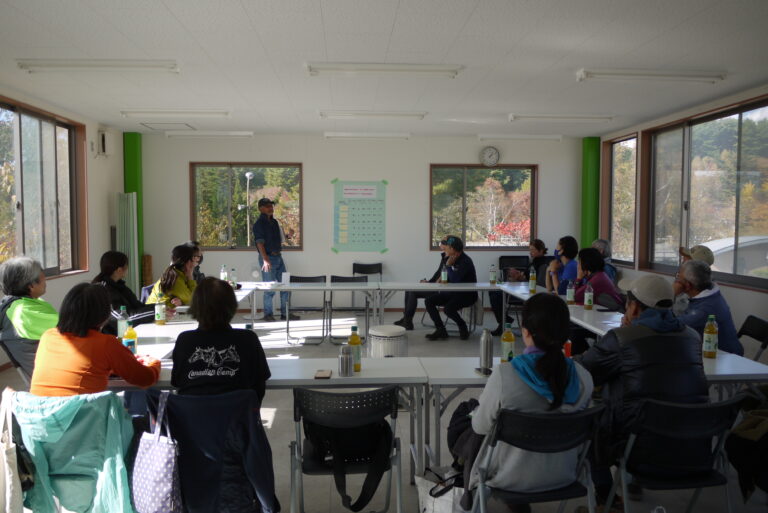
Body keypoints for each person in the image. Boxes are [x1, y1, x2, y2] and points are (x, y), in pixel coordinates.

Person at [453, 294, 593, 512]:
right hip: (564, 475)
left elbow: (480, 427)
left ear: (525, 332)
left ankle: (469, 491)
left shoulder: (505, 375)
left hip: (507, 477)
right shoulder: (584, 378)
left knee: (463, 419)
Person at [578, 274, 709, 509]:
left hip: (639, 450)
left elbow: (584, 372)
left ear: (635, 308)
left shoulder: (622, 339)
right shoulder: (692, 337)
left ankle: (607, 498)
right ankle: (629, 486)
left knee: (591, 420)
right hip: (694, 448)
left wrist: (620, 335)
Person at [30, 283, 160, 396]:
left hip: (41, 414)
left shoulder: (47, 336)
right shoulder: (106, 343)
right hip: (82, 415)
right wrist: (154, 362)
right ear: (103, 314)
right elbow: (146, 379)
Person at [172, 277, 271, 399]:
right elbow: (260, 386)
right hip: (238, 411)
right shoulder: (248, 340)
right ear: (232, 306)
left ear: (195, 307)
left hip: (191, 411)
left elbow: (177, 382)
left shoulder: (184, 341)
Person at [0, 256, 59, 378]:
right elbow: (70, 330)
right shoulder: (23, 312)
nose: (45, 282)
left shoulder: (20, 304)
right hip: (53, 376)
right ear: (30, 286)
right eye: (43, 278)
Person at [676, 260, 742, 355]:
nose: (677, 281)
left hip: (724, 357)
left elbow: (670, 325)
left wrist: (670, 294)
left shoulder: (704, 310)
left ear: (687, 285)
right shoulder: (710, 292)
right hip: (712, 349)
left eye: (678, 277)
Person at [489, 239, 552, 335]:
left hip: (530, 294)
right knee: (494, 292)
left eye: (533, 250)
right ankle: (504, 321)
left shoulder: (543, 264)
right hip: (524, 290)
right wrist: (517, 275)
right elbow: (526, 278)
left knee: (495, 294)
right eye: (530, 250)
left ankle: (504, 321)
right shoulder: (534, 262)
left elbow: (537, 283)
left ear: (541, 250)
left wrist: (519, 277)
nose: (530, 252)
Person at [253, 197, 299, 322]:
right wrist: (265, 259)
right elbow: (259, 243)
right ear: (261, 208)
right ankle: (268, 314)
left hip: (278, 257)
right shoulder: (259, 224)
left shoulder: (274, 222)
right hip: (268, 257)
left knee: (285, 285)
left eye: (271, 206)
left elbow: (281, 238)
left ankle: (285, 313)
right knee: (269, 288)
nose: (271, 208)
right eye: (268, 206)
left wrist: (289, 236)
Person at [424, 236, 477, 340]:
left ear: (452, 249)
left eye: (446, 247)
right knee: (429, 301)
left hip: (467, 295)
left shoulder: (465, 261)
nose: (444, 249)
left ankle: (462, 326)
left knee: (448, 309)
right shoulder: (451, 258)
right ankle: (441, 330)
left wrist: (448, 266)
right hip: (453, 293)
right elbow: (445, 277)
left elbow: (455, 279)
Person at [92, 250, 156, 335]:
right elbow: (122, 319)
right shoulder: (103, 290)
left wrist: (159, 307)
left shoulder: (120, 286)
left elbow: (138, 306)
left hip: (128, 332)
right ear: (119, 270)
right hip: (113, 337)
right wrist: (155, 311)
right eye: (126, 266)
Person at [393, 239, 450, 330]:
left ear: (448, 245)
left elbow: (445, 275)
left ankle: (408, 322)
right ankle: (406, 318)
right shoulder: (444, 256)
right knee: (408, 289)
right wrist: (429, 282)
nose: (440, 244)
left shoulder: (451, 258)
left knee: (413, 292)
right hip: (435, 286)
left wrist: (433, 284)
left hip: (441, 289)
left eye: (442, 243)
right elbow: (438, 272)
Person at [673, 244, 715, 315]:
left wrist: (671, 295)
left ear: (695, 267)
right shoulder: (690, 279)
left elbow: (677, 316)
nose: (682, 263)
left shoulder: (696, 289)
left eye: (685, 261)